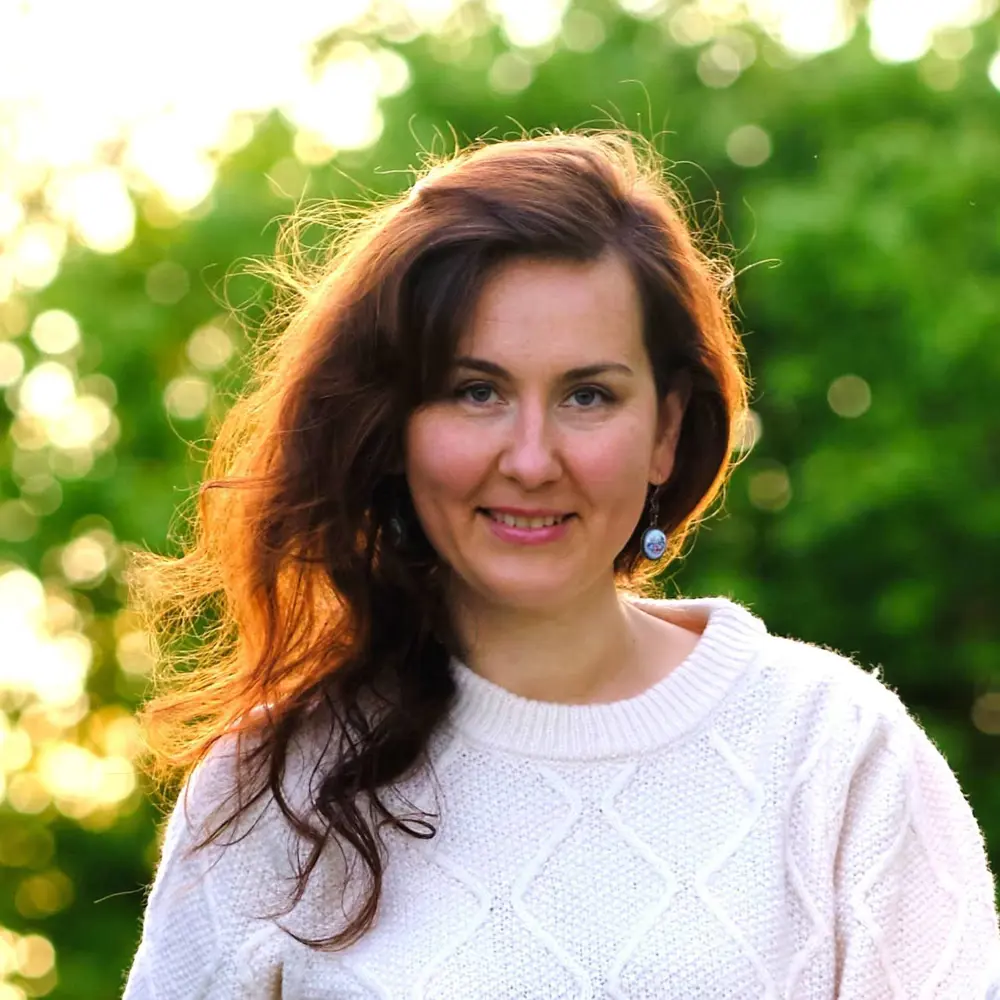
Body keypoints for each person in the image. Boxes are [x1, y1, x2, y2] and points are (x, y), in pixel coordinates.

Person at [120, 131, 1000, 999]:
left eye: (588, 395)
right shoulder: (271, 789)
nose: (532, 459)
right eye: (477, 391)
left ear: (665, 431)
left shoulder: (835, 754)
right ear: (395, 428)